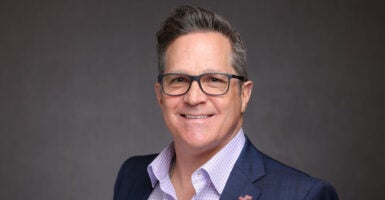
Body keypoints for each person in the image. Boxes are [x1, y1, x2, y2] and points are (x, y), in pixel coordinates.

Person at [114, 5, 339, 200]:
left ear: (244, 94)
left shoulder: (304, 196)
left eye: (213, 80)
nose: (194, 98)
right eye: (179, 80)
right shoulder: (133, 177)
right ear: (160, 95)